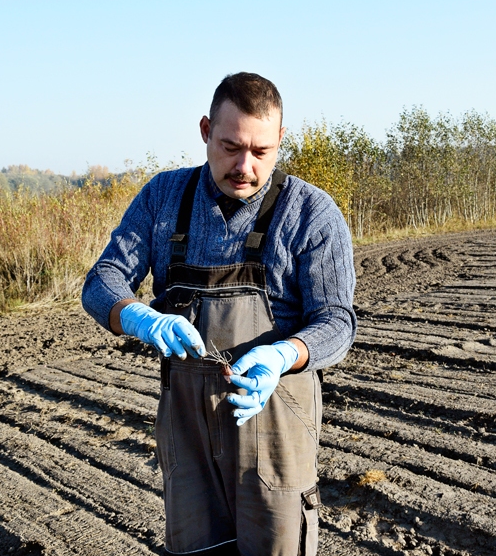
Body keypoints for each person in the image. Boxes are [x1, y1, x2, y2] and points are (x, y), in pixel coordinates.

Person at [81, 72, 356, 556]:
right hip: (186, 429)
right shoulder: (162, 199)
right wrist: (141, 317)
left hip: (275, 423)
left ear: (280, 141)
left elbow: (336, 321)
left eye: (261, 151)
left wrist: (281, 355)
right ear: (206, 130)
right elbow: (102, 280)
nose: (245, 166)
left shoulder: (311, 213)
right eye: (230, 146)